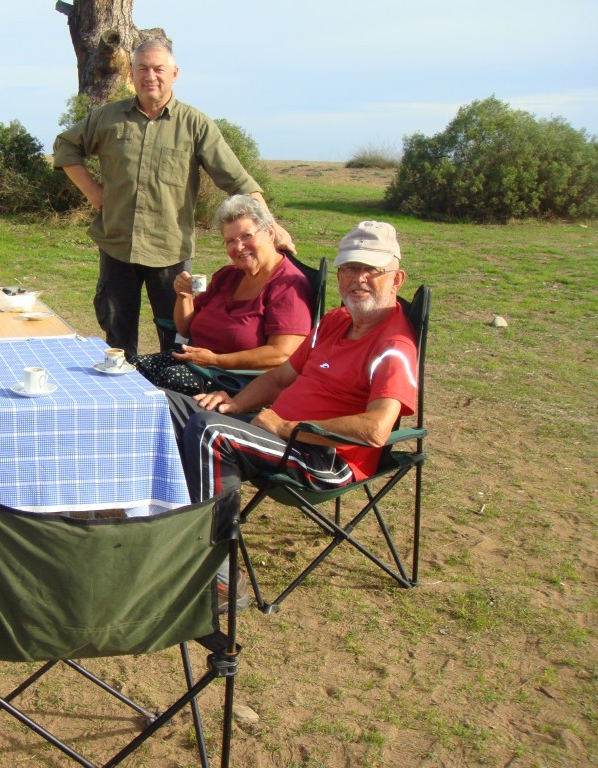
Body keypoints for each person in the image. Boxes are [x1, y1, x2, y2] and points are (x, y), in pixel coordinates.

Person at [167, 221, 418, 609]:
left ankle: (221, 578)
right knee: (166, 406)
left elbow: (376, 430)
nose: (359, 279)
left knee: (210, 432)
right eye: (350, 268)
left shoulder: (394, 345)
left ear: (396, 279)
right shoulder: (335, 321)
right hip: (275, 431)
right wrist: (235, 403)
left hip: (325, 456)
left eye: (372, 270)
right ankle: (154, 532)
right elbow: (282, 375)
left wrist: (286, 426)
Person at [53, 39, 294, 359]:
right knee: (117, 339)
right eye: (142, 69)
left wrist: (272, 227)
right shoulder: (108, 118)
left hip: (170, 252)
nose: (150, 76)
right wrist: (93, 192)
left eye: (158, 69)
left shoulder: (195, 125)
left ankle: (172, 391)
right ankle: (124, 389)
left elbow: (237, 180)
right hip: (116, 244)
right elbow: (65, 146)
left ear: (175, 74)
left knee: (179, 340)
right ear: (130, 74)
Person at [132, 195, 313, 395]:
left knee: (163, 384)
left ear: (270, 233)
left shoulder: (288, 286)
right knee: (131, 369)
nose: (239, 247)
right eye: (230, 241)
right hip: (197, 362)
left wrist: (216, 360)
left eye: (247, 236)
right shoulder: (228, 276)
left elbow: (282, 354)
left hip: (236, 380)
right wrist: (184, 295)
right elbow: (185, 329)